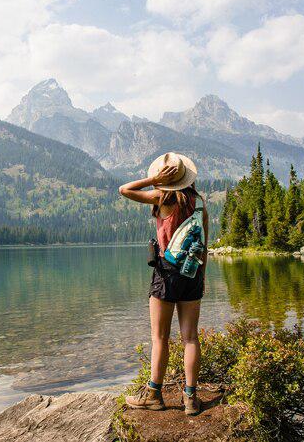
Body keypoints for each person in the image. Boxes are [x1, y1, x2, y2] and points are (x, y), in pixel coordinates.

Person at [118, 152, 208, 416]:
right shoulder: (199, 203)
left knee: (159, 338)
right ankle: (191, 399)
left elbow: (124, 189)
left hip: (166, 273)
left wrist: (153, 179)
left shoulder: (162, 197)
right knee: (190, 337)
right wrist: (201, 277)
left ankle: (153, 395)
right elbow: (205, 246)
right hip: (193, 273)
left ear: (165, 178)